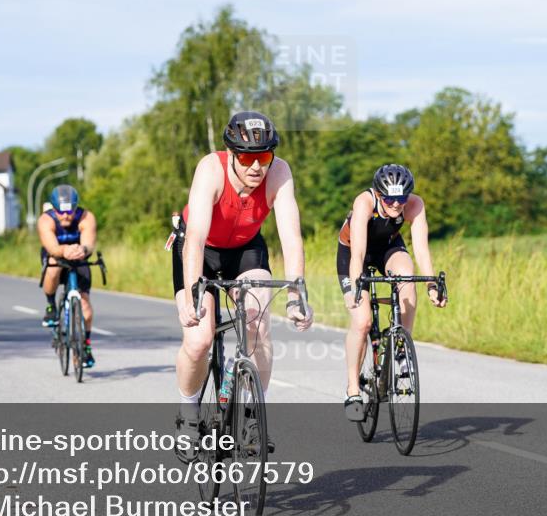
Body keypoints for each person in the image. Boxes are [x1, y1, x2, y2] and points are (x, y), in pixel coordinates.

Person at [172, 111, 313, 458]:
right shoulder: (211, 169)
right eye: (247, 158)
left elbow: (291, 237)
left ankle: (252, 417)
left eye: (264, 157)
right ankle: (188, 416)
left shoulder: (279, 173)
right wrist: (191, 296)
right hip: (201, 250)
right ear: (231, 154)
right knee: (199, 340)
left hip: (246, 249)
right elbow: (195, 238)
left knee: (258, 326)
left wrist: (296, 296)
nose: (257, 167)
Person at [338, 163, 446, 421]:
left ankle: (400, 348)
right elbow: (358, 253)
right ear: (378, 194)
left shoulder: (415, 204)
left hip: (388, 247)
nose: (397, 205)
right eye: (389, 199)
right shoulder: (364, 202)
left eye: (402, 198)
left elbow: (421, 249)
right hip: (354, 253)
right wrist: (357, 288)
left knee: (407, 278)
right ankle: (353, 389)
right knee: (362, 322)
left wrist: (432, 285)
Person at [38, 185, 98, 368]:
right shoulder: (46, 220)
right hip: (56, 256)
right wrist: (64, 250)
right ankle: (51, 305)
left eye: (70, 211)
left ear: (75, 207)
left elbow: (89, 243)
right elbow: (52, 247)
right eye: (61, 212)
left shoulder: (86, 217)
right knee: (54, 266)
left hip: (79, 258)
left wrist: (83, 249)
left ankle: (86, 346)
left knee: (86, 308)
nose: (66, 216)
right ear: (54, 209)